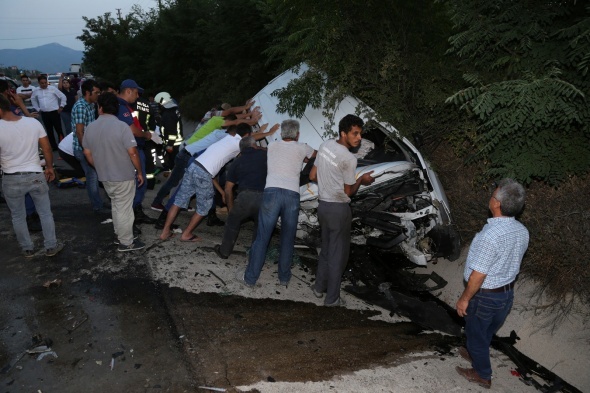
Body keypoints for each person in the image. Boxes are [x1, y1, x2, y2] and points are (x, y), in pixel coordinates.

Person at [455, 178, 529, 389]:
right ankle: (474, 353)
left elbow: (478, 276)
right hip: (505, 295)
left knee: (475, 334)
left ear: (496, 203)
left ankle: (482, 374)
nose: (491, 197)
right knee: (485, 332)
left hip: (485, 296)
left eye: (493, 194)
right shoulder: (522, 231)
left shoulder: (489, 236)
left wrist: (464, 299)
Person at [238, 120, 316, 288]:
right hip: (292, 195)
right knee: (288, 238)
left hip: (271, 192)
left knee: (262, 237)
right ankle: (284, 278)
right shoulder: (303, 147)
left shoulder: (272, 146)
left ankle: (250, 278)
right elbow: (316, 155)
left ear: (281, 134)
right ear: (297, 134)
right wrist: (304, 167)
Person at [309, 114, 375, 306]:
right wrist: (362, 180)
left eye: (360, 134)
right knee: (339, 256)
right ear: (343, 133)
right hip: (339, 210)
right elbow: (349, 191)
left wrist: (329, 185)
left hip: (323, 207)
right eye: (355, 133)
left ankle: (318, 288)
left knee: (327, 250)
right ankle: (332, 299)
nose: (359, 138)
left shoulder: (324, 146)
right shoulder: (348, 159)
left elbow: (313, 175)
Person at [158, 123, 254, 242]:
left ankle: (165, 232)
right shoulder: (238, 144)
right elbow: (207, 174)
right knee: (204, 207)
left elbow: (211, 176)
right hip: (203, 172)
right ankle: (186, 234)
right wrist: (268, 133)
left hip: (194, 166)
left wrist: (222, 192)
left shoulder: (228, 138)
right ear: (247, 135)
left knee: (178, 201)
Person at [0, 94, 64, 257]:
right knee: (45, 213)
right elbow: (47, 148)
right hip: (35, 174)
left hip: (10, 178)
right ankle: (51, 246)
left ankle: (27, 248)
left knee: (18, 216)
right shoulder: (33, 123)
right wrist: (49, 168)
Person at [83, 92, 145, 252]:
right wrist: (139, 171)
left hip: (105, 176)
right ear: (116, 109)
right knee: (124, 208)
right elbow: (132, 152)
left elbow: (87, 153)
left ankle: (121, 235)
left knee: (117, 205)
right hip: (123, 175)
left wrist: (98, 166)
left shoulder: (90, 127)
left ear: (100, 108)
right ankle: (126, 242)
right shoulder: (122, 127)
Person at [213, 136, 267, 259]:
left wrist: (231, 209)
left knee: (232, 222)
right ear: (254, 145)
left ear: (241, 150)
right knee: (260, 228)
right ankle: (256, 256)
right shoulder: (266, 156)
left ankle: (224, 251)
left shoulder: (237, 162)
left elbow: (228, 188)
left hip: (245, 197)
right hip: (265, 197)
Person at [117, 79, 156, 225]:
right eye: (136, 92)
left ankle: (135, 213)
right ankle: (132, 217)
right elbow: (131, 130)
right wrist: (146, 135)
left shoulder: (124, 106)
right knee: (138, 182)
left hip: (132, 148)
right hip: (131, 149)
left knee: (137, 183)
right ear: (128, 91)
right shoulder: (121, 107)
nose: (138, 96)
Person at [71, 79, 108, 214]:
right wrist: (87, 151)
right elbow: (80, 132)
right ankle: (97, 206)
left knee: (95, 176)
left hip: (91, 148)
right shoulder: (81, 107)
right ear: (87, 93)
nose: (98, 95)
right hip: (83, 150)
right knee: (92, 177)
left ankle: (98, 202)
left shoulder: (91, 105)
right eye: (96, 93)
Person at [31, 74, 67, 151]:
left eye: (45, 82)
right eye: (42, 83)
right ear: (39, 83)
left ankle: (63, 146)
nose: (44, 84)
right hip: (44, 113)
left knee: (59, 129)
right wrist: (37, 108)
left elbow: (63, 97)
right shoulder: (36, 91)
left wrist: (61, 106)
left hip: (54, 112)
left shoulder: (52, 89)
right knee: (49, 131)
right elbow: (33, 99)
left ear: (47, 82)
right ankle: (54, 146)